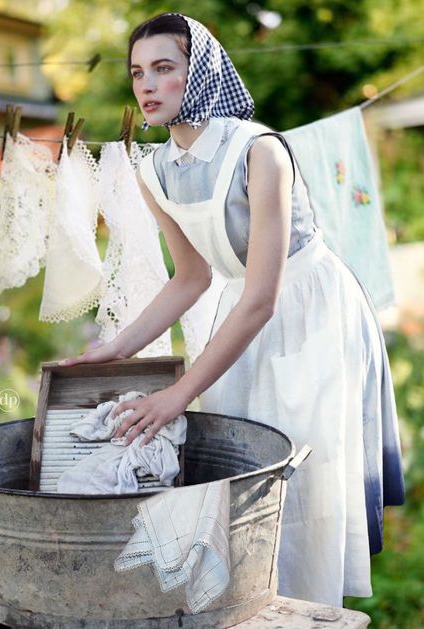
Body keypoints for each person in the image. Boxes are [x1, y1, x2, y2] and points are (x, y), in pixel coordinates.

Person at [59, 13, 404, 607]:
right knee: (239, 475)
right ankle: (247, 605)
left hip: (310, 311)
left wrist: (178, 393)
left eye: (164, 69)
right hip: (239, 308)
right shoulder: (155, 170)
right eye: (138, 72)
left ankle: (310, 611)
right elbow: (190, 278)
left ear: (199, 73)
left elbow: (264, 296)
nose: (147, 85)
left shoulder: (259, 151)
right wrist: (115, 349)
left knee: (303, 476)